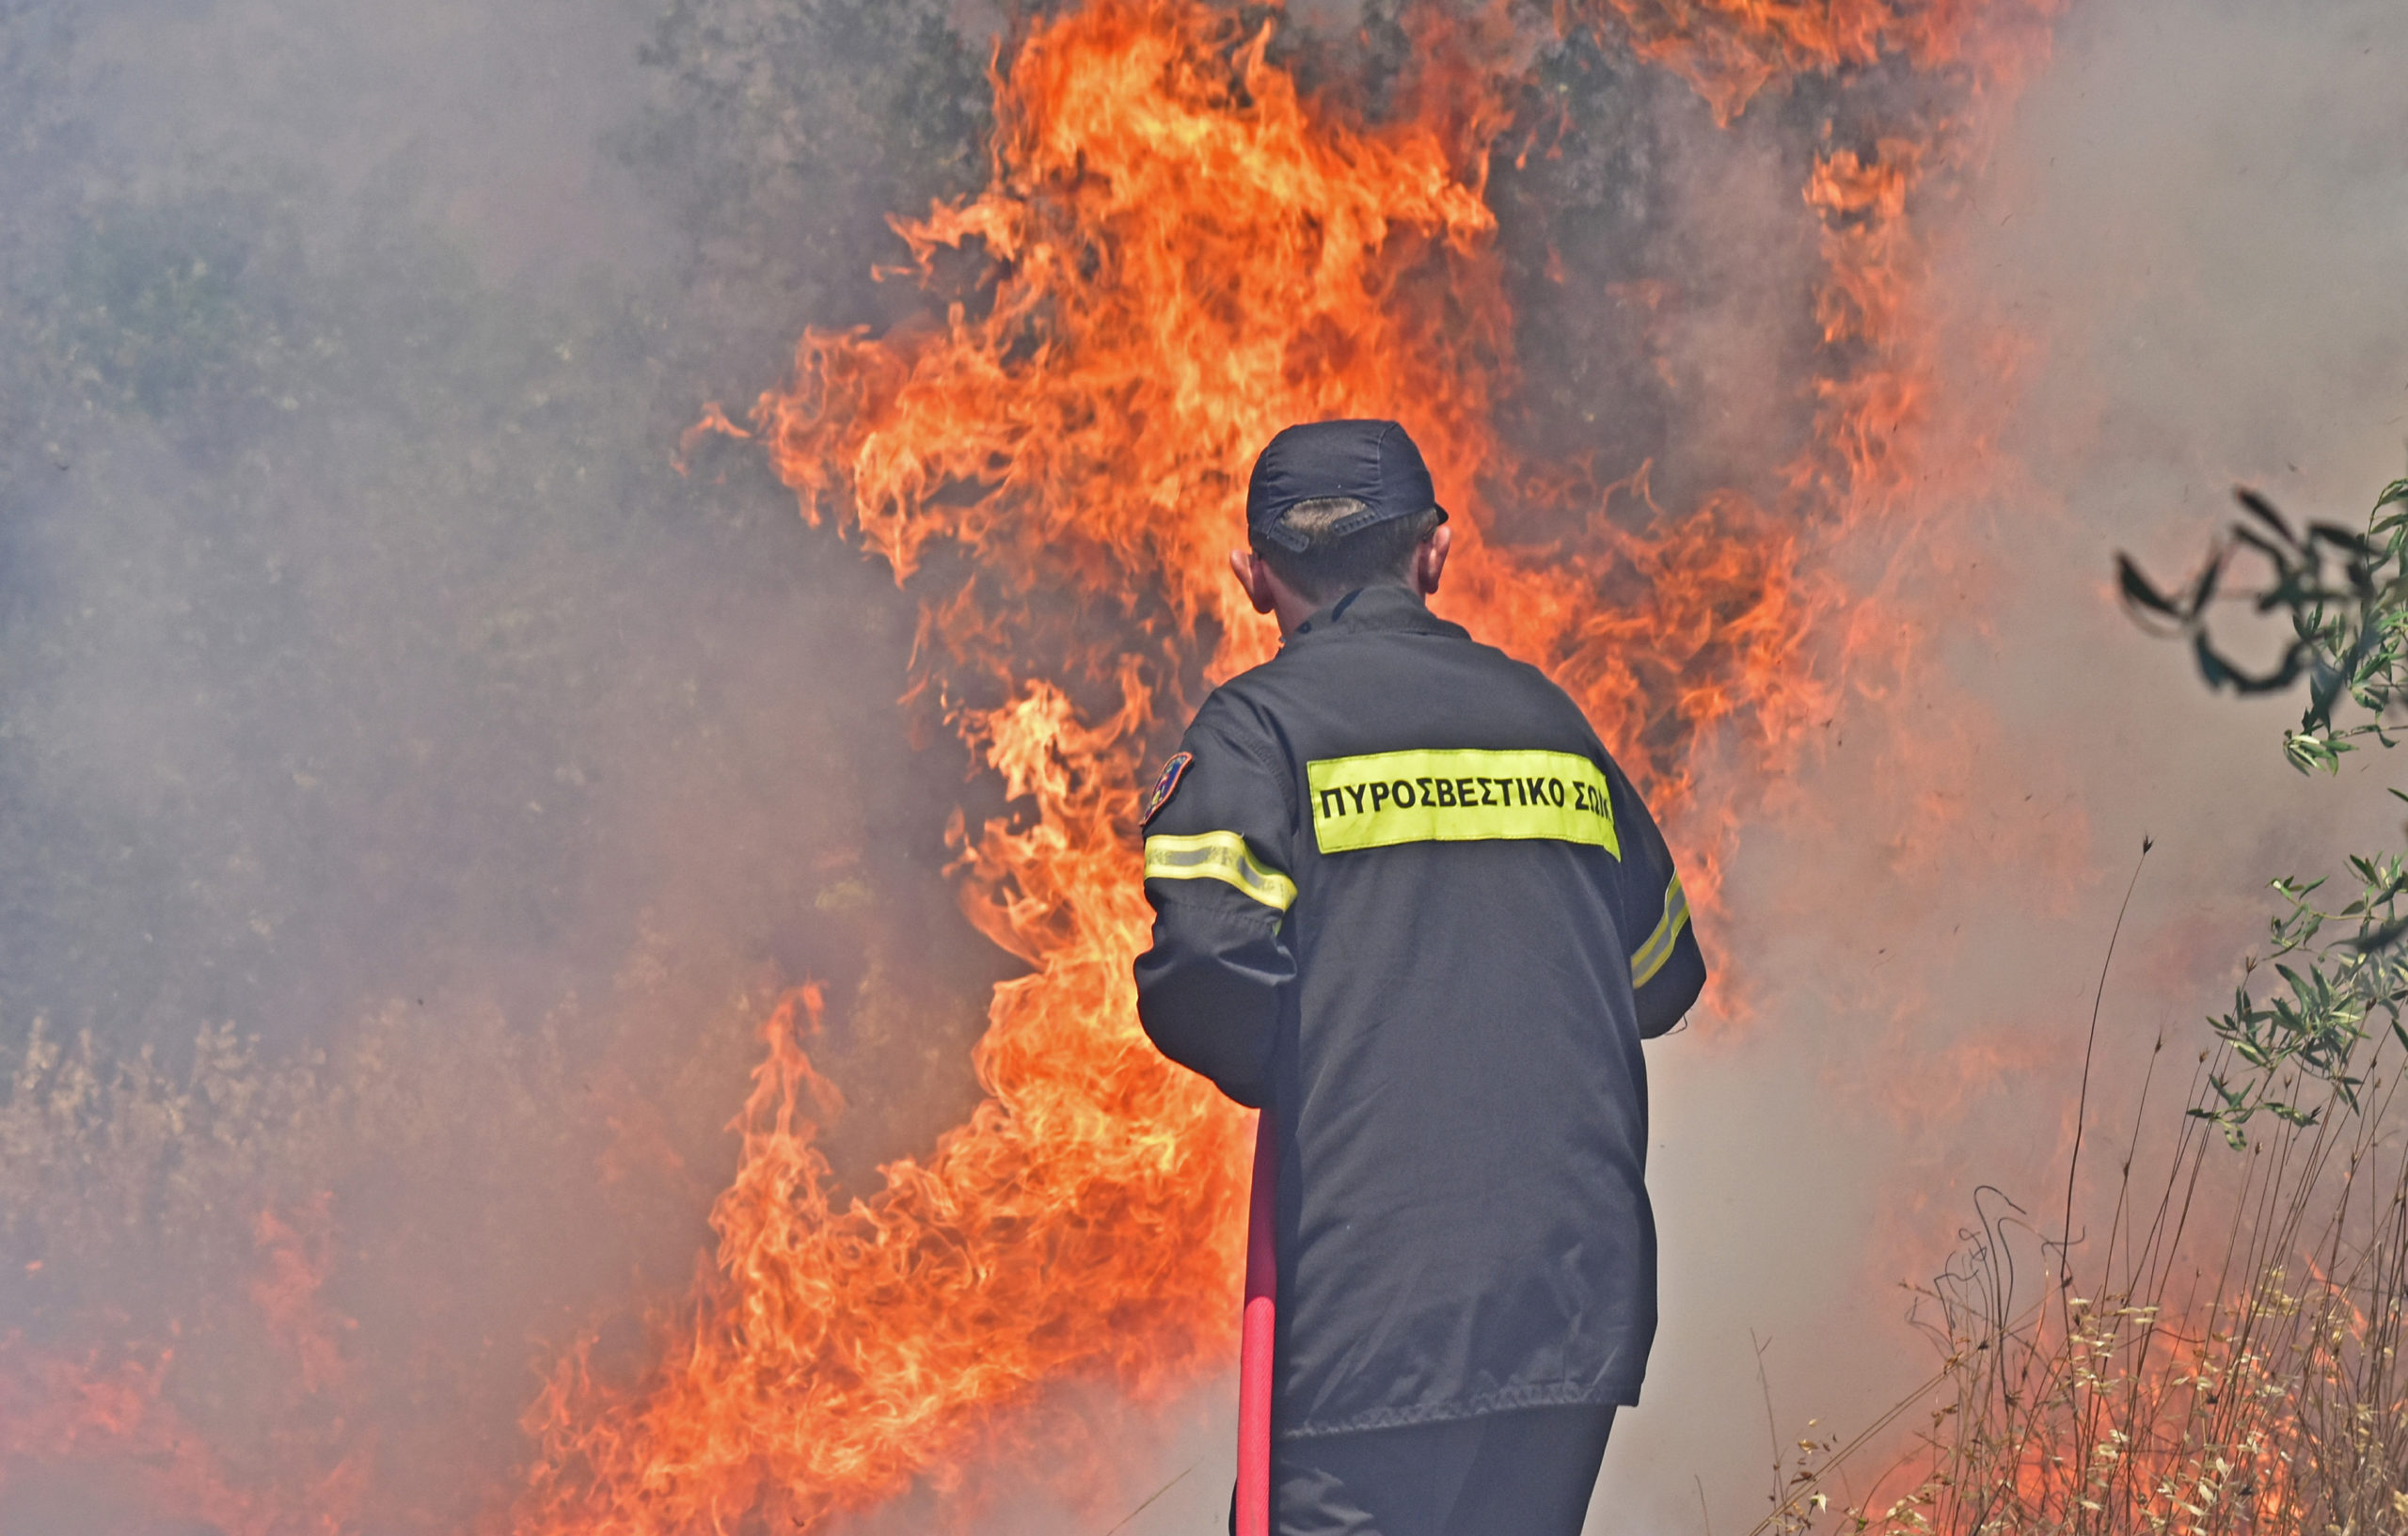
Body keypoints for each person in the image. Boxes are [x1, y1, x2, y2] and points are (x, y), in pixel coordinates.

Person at [1132, 419, 1706, 1536]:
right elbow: (1661, 975)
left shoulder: (1258, 734)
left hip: (1372, 1312)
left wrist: (1315, 1055)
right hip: (1569, 1309)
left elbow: (1204, 964)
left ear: (1253, 578)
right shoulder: (1552, 726)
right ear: (1433, 551)